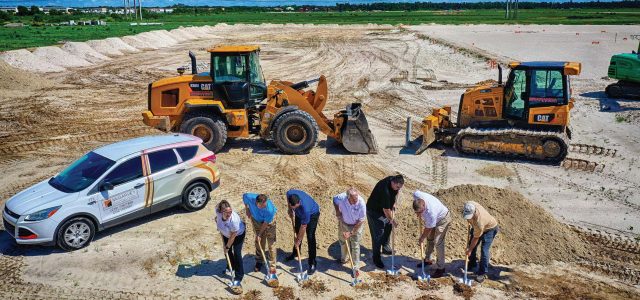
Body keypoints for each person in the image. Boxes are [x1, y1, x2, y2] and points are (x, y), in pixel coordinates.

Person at [366, 174, 404, 269]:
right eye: (397, 187)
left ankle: (385, 247)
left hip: (383, 209)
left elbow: (397, 192)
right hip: (374, 212)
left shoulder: (393, 180)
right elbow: (386, 210)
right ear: (393, 182)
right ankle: (376, 258)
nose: (398, 189)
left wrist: (394, 203)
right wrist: (392, 220)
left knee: (388, 226)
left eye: (400, 187)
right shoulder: (385, 191)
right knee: (378, 235)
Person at [412, 190, 451, 278]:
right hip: (434, 218)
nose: (418, 215)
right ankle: (428, 259)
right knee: (430, 238)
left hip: (443, 219)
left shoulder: (431, 212)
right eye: (417, 212)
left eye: (420, 212)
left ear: (423, 206)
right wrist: (419, 213)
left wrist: (422, 238)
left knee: (437, 241)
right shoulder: (417, 195)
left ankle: (441, 268)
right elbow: (414, 192)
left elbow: (428, 228)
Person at [462, 201, 499, 283]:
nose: (468, 218)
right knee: (471, 245)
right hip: (477, 227)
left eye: (469, 216)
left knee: (484, 250)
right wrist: (469, 220)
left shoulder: (479, 222)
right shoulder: (470, 204)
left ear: (474, 212)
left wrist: (470, 250)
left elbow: (476, 238)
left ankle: (482, 273)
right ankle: (472, 264)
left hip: (490, 229)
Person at [285, 189, 320, 274]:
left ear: (299, 202)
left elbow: (303, 226)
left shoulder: (306, 209)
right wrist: (289, 209)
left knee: (310, 236)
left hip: (312, 214)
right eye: (294, 207)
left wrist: (299, 240)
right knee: (297, 232)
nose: (296, 207)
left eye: (297, 206)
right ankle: (296, 252)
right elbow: (287, 196)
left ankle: (312, 262)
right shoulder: (290, 194)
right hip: (299, 214)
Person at [242, 193, 277, 272]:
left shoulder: (269, 210)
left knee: (271, 243)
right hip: (256, 220)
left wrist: (260, 234)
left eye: (264, 205)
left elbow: (266, 223)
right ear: (256, 202)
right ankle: (259, 261)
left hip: (269, 223)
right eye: (261, 206)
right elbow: (244, 197)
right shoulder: (250, 197)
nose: (263, 207)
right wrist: (247, 209)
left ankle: (272, 266)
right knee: (259, 242)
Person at [215, 200, 246, 285]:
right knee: (227, 253)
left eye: (230, 211)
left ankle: (239, 276)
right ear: (221, 211)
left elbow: (233, 236)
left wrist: (227, 247)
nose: (229, 214)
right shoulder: (218, 212)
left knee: (236, 252)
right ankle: (231, 266)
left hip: (238, 235)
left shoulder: (234, 220)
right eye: (226, 212)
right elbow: (217, 206)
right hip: (225, 233)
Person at [335, 187, 366, 267]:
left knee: (355, 244)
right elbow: (335, 200)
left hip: (356, 225)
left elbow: (361, 220)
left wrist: (351, 232)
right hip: (344, 223)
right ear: (348, 198)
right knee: (343, 241)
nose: (356, 201)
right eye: (354, 200)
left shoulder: (361, 203)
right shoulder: (341, 198)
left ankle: (355, 266)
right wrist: (338, 211)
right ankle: (344, 259)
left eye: (356, 198)